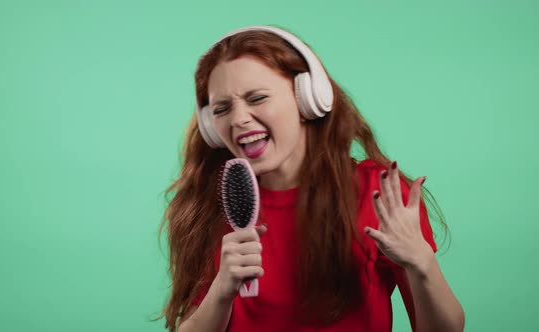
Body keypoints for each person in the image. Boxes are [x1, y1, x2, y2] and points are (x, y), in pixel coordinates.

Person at [159, 25, 465, 332]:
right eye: (222, 108)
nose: (238, 119)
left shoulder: (378, 194)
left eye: (257, 98)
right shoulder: (213, 205)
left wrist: (422, 263)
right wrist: (222, 291)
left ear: (307, 99)